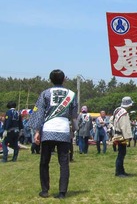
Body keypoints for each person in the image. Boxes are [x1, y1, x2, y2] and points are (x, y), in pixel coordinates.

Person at [28, 69, 78, 199]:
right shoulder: (71, 94)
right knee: (64, 163)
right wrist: (74, 129)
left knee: (44, 161)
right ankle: (62, 192)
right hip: (63, 130)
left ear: (50, 80)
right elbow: (74, 115)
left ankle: (45, 190)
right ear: (64, 79)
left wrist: (37, 131)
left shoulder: (45, 93)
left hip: (48, 130)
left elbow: (38, 113)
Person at [111, 96, 134, 177]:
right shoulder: (124, 113)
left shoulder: (117, 110)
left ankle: (121, 170)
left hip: (117, 133)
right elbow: (124, 126)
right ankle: (119, 172)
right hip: (121, 135)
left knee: (121, 153)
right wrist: (128, 137)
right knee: (121, 153)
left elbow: (111, 120)